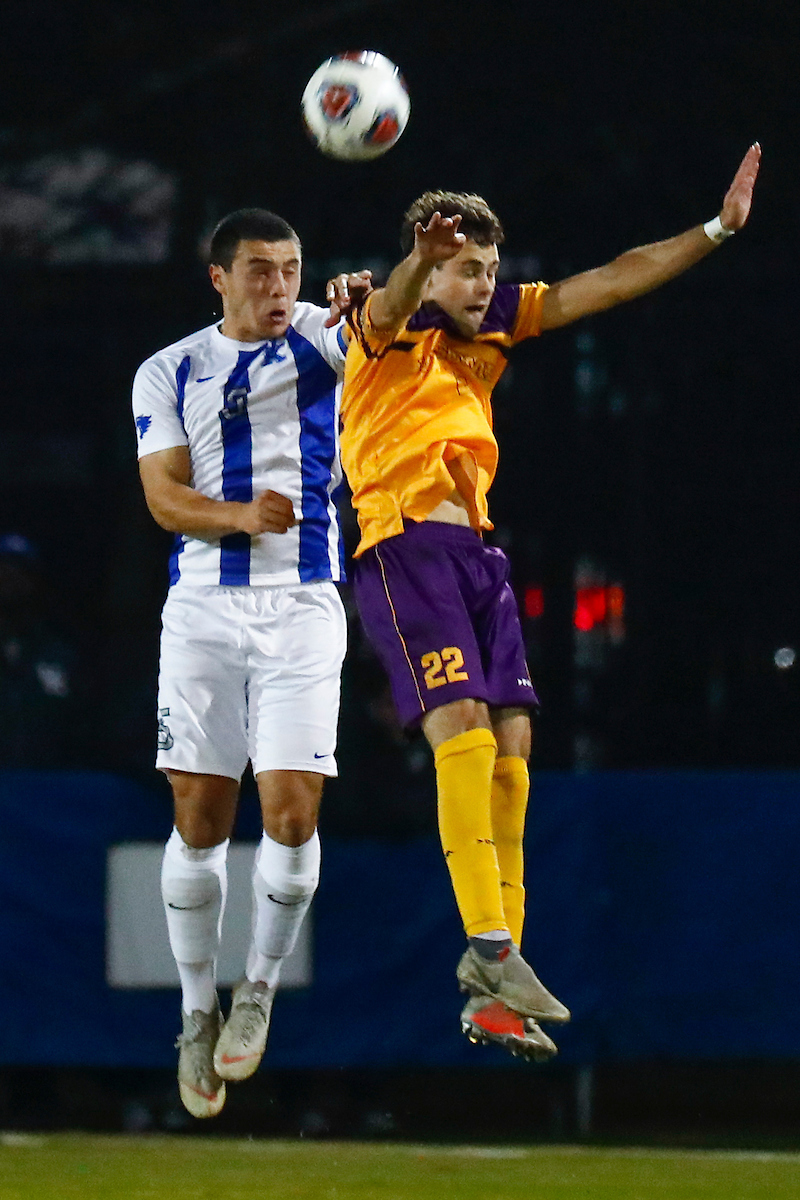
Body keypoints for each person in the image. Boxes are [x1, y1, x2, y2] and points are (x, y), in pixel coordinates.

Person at [339, 145, 761, 1060]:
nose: (484, 282)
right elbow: (388, 303)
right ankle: (490, 949)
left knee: (515, 753)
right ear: (429, 266)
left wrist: (717, 229)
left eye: (490, 267)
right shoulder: (381, 330)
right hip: (405, 548)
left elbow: (607, 281)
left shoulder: (494, 324)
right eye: (466, 267)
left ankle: (497, 988)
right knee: (463, 731)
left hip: (476, 555)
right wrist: (416, 260)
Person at [132, 208, 368, 1118]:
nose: (280, 286)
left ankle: (258, 989)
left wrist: (411, 268)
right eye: (261, 270)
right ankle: (197, 1010)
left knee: (293, 813)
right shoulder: (169, 369)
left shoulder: (323, 334)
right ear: (219, 278)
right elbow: (163, 497)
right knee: (199, 818)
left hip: (303, 604)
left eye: (292, 269)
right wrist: (238, 516)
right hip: (202, 608)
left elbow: (389, 315)